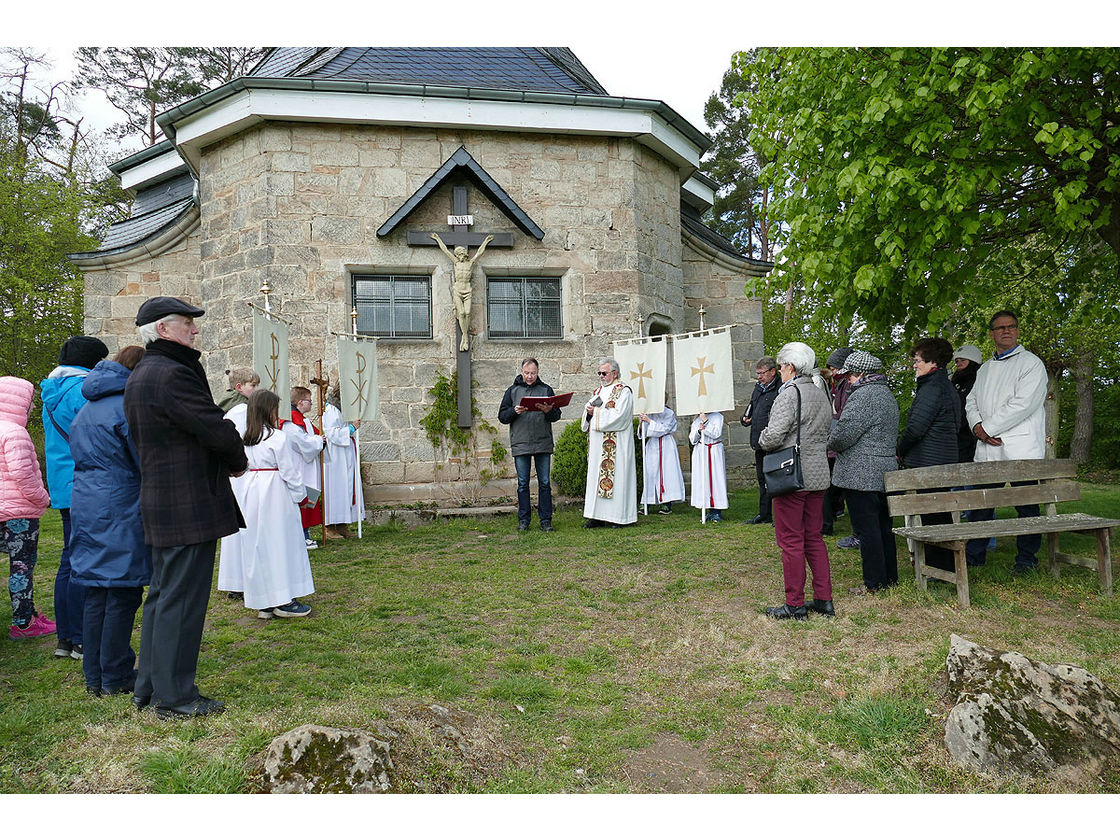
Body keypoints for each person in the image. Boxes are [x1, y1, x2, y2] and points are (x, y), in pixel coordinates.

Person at [123, 296, 248, 719]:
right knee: (182, 601)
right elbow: (212, 427)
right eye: (187, 324)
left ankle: (150, 686)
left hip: (166, 499)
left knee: (163, 596)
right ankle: (176, 698)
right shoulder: (170, 374)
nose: (195, 330)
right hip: (186, 501)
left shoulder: (147, 372)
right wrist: (237, 458)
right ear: (162, 329)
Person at [68, 346, 151, 696]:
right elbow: (143, 458)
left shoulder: (87, 407)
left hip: (87, 500)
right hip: (119, 500)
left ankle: (95, 676)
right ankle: (114, 673)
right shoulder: (125, 407)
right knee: (121, 590)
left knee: (97, 593)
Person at [964, 310, 1048, 574]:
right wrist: (978, 427)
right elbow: (971, 401)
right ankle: (975, 555)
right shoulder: (986, 368)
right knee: (982, 504)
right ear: (992, 334)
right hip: (988, 446)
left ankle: (1026, 560)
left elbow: (1023, 404)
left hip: (1021, 447)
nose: (1006, 331)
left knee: (1027, 506)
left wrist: (987, 427)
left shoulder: (1031, 363)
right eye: (1000, 328)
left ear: (1018, 330)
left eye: (1011, 326)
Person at [41, 335, 108, 661]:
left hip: (63, 482)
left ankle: (66, 638)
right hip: (84, 480)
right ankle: (81, 637)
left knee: (69, 560)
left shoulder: (52, 392)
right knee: (83, 561)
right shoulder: (82, 392)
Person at [758, 342, 834, 619]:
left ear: (790, 366)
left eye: (780, 366)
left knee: (790, 541)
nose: (779, 371)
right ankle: (824, 599)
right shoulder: (819, 392)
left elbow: (774, 435)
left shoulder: (789, 394)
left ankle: (795, 603)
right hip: (818, 475)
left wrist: (761, 438)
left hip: (792, 474)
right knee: (813, 538)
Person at [224, 389, 315, 619]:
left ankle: (264, 601)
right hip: (275, 493)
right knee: (281, 544)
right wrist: (300, 495)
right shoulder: (277, 437)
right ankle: (283, 599)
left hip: (252, 492)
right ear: (269, 410)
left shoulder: (246, 438)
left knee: (259, 545)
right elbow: (289, 472)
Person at [828, 351, 901, 594]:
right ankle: (889, 578)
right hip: (883, 470)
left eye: (849, 375)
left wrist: (830, 438)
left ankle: (873, 583)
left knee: (867, 531)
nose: (847, 379)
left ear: (860, 374)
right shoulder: (886, 394)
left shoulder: (863, 397)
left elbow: (843, 435)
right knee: (883, 528)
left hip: (861, 474)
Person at [896, 337, 961, 571]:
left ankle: (938, 567)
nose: (915, 365)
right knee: (938, 514)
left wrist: (900, 449)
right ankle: (941, 565)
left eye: (918, 361)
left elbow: (916, 428)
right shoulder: (944, 386)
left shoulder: (932, 388)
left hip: (929, 461)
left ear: (933, 362)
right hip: (941, 458)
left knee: (932, 516)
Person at [2, 377, 56, 641]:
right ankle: (23, 623)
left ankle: (29, 613)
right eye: (30, 399)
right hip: (18, 513)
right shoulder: (14, 433)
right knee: (22, 567)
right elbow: (24, 474)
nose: (33, 404)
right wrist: (42, 498)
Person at [497, 358, 562, 532]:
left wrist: (549, 411)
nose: (530, 376)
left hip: (542, 442)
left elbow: (556, 415)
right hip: (521, 443)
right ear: (521, 371)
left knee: (545, 483)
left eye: (533, 373)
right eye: (527, 373)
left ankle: (546, 521)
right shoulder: (512, 391)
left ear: (537, 372)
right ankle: (524, 521)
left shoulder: (546, 389)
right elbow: (502, 416)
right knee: (523, 483)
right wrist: (514, 411)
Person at [581, 358, 637, 528]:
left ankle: (619, 518)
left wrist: (596, 412)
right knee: (596, 478)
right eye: (599, 373)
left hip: (616, 446)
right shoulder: (598, 391)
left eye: (604, 373)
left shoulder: (623, 391)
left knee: (618, 478)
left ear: (615, 373)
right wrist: (590, 413)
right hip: (599, 446)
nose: (601, 376)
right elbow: (587, 416)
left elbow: (620, 417)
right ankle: (596, 516)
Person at [431, 232, 494, 352]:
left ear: (464, 254)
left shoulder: (470, 263)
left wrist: (486, 241)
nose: (459, 255)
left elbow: (479, 253)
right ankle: (465, 336)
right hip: (458, 290)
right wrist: (438, 238)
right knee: (461, 313)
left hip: (467, 290)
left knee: (468, 313)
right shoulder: (456, 263)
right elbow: (445, 251)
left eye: (460, 253)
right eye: (457, 254)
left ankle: (465, 335)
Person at [322, 383, 365, 538]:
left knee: (346, 488)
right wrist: (351, 428)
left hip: (346, 452)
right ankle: (330, 526)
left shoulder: (345, 408)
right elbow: (332, 433)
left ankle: (342, 524)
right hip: (336, 455)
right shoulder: (331, 409)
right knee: (336, 488)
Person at [285, 387, 325, 546]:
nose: (311, 404)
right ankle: (302, 537)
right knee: (300, 502)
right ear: (301, 402)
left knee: (306, 502)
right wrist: (318, 441)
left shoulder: (301, 420)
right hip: (298, 468)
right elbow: (302, 442)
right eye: (309, 401)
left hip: (302, 467)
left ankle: (304, 535)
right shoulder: (292, 422)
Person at [823, 347, 855, 541]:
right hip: (836, 440)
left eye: (835, 368)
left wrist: (831, 426)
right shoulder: (840, 385)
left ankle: (828, 523)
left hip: (841, 443)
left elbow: (843, 414)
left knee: (838, 487)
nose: (833, 373)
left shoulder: (847, 387)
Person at [639, 401, 685, 514]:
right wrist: (641, 424)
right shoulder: (649, 413)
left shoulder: (669, 413)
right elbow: (644, 433)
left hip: (666, 445)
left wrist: (649, 421)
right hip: (652, 446)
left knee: (666, 474)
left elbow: (663, 429)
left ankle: (666, 503)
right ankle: (646, 502)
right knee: (650, 473)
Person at [689, 411, 727, 523]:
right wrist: (699, 431)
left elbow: (716, 433)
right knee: (704, 480)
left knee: (716, 479)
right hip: (701, 451)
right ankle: (708, 510)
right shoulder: (696, 420)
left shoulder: (718, 416)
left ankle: (717, 511)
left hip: (714, 450)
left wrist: (706, 422)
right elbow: (692, 439)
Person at [951, 345, 983, 464]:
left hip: (971, 436)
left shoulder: (979, 380)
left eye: (963, 360)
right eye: (957, 361)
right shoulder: (954, 382)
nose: (958, 363)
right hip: (956, 437)